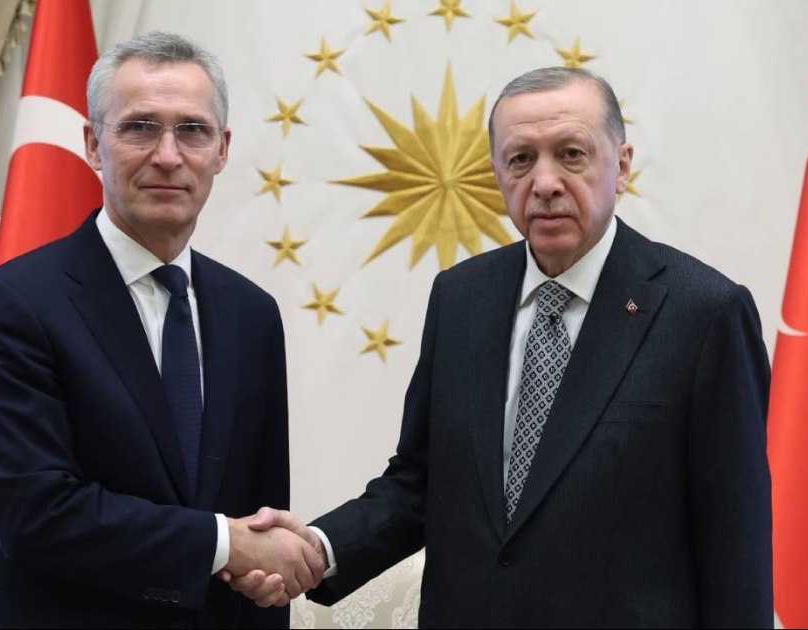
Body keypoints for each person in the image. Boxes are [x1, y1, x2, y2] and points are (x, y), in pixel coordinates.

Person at [237, 67, 773, 628]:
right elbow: (421, 482)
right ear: (497, 174)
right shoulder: (461, 297)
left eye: (571, 154)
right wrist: (319, 548)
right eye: (521, 159)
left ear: (622, 165)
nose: (545, 183)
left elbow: (735, 543)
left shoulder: (703, 312)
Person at [0, 32, 323, 629]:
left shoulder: (252, 313)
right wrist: (223, 543)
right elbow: (37, 515)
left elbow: (259, 524)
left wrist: (261, 567)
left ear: (222, 150)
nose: (168, 155)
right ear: (93, 145)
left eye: (192, 130)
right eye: (140, 128)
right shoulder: (13, 304)